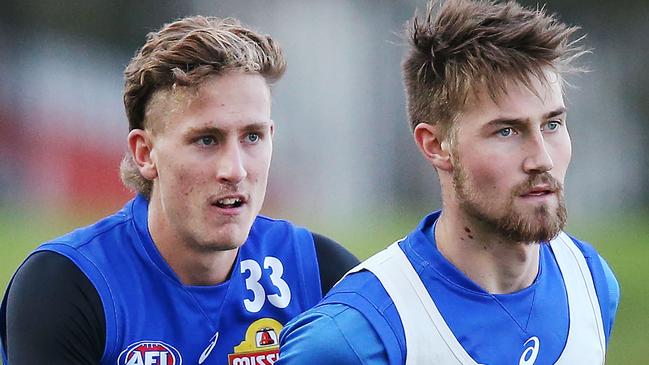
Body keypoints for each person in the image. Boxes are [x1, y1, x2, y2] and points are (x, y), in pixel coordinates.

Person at [0, 15, 358, 365]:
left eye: (252, 136)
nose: (234, 169)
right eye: (206, 140)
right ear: (145, 153)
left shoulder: (321, 274)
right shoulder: (67, 286)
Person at [278, 0, 620, 364]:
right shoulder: (352, 336)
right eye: (507, 131)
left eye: (551, 124)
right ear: (437, 146)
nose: (542, 159)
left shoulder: (589, 279)